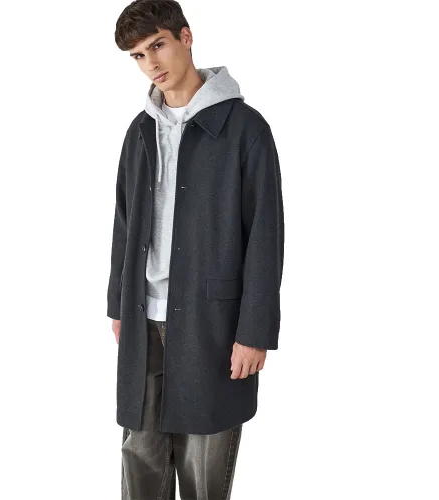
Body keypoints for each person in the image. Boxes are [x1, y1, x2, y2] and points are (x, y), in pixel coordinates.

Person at [108, 1, 284, 498]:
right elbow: (124, 221)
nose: (151, 64)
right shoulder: (140, 130)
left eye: (157, 45)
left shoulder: (245, 129)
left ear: (186, 37)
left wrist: (254, 331)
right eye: (138, 56)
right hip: (143, 319)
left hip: (214, 322)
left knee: (204, 469)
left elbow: (265, 235)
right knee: (140, 460)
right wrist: (118, 304)